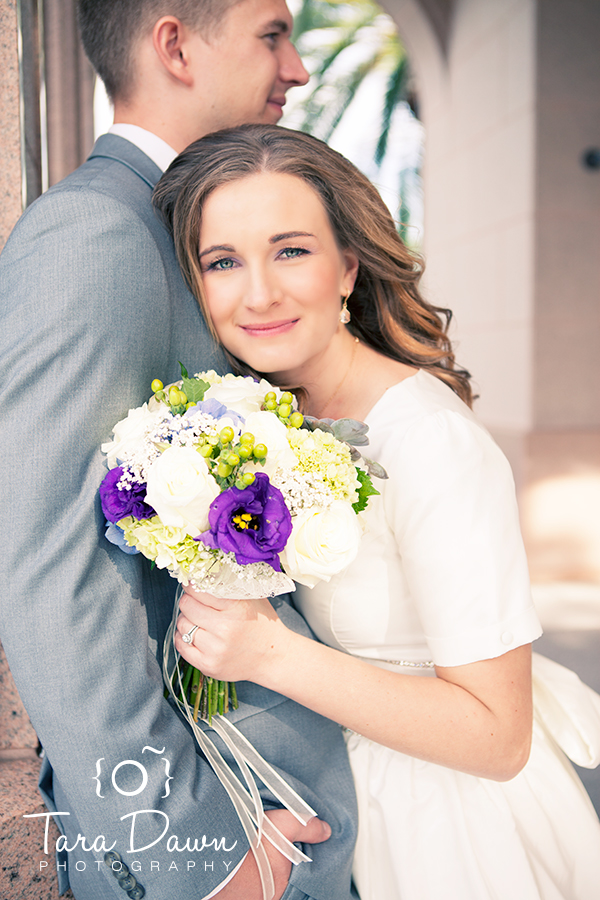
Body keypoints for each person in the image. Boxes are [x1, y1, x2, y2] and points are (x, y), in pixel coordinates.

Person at [152, 123, 600, 900]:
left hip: (445, 825)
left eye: (291, 249)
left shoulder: (429, 442)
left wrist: (270, 657)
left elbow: (498, 735)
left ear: (349, 267)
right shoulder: (264, 418)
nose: (259, 292)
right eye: (223, 261)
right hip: (329, 799)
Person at [0, 6, 360, 900]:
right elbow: (43, 568)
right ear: (174, 46)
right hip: (225, 830)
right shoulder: (95, 234)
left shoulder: (172, 222)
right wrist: (193, 855)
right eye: (273, 33)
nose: (299, 68)